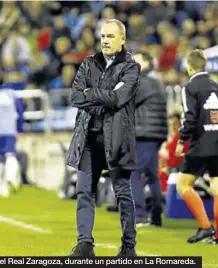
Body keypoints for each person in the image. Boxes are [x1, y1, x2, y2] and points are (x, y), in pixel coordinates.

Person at [66, 19, 140, 256]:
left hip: (116, 139)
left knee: (122, 192)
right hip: (88, 138)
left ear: (122, 40)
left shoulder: (131, 67)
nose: (106, 41)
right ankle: (85, 243)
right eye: (103, 37)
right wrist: (107, 94)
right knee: (84, 191)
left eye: (110, 36)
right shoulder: (89, 63)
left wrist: (92, 93)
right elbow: (75, 97)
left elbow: (120, 99)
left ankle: (129, 246)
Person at [175, 49, 218, 244]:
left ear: (189, 66)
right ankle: (217, 236)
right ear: (206, 66)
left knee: (183, 185)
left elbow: (190, 118)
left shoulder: (190, 88)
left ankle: (205, 227)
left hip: (200, 145)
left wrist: (181, 140)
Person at [130, 51, 168, 227]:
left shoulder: (141, 82)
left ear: (145, 63)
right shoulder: (157, 83)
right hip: (156, 133)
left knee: (135, 173)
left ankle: (140, 215)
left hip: (143, 133)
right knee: (153, 176)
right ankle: (156, 215)